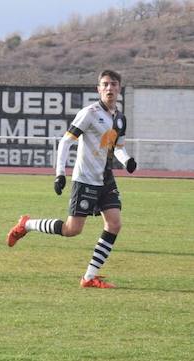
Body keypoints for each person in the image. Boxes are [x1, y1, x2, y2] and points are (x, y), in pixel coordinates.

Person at [7, 69, 136, 289]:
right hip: (85, 179)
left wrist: (127, 160)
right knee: (72, 230)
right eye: (105, 84)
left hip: (106, 178)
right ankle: (26, 224)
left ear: (119, 88)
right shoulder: (90, 113)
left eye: (114, 84)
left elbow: (118, 148)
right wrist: (60, 173)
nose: (109, 88)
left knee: (114, 224)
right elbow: (66, 142)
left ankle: (89, 277)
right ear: (98, 89)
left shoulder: (120, 118)